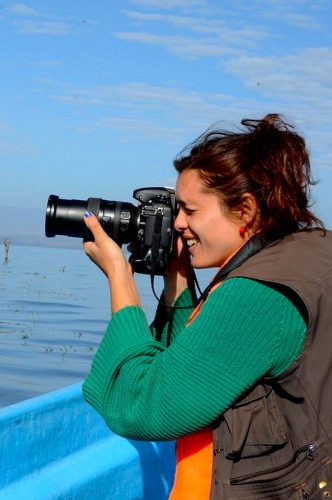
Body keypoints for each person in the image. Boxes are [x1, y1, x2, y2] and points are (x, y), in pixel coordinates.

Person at [80, 113, 332, 499]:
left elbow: (142, 406)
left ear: (244, 210)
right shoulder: (305, 253)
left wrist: (120, 277)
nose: (178, 223)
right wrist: (177, 276)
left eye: (191, 210)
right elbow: (202, 366)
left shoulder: (259, 294)